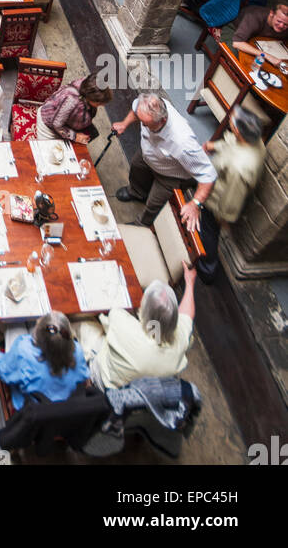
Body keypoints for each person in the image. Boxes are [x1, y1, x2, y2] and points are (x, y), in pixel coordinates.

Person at [113, 91, 216, 229]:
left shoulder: (183, 143)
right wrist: (124, 124)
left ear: (162, 120)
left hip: (170, 175)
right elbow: (135, 110)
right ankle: (136, 192)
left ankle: (142, 224)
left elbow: (208, 175)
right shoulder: (149, 104)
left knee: (154, 204)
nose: (142, 125)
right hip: (149, 154)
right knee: (137, 168)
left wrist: (195, 203)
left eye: (145, 124)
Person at [79, 270, 197, 390]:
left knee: (82, 321)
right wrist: (190, 283)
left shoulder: (124, 325)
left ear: (144, 310)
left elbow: (107, 313)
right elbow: (187, 316)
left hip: (104, 381)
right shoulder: (180, 339)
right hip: (137, 389)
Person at [197, 106, 266, 282]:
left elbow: (231, 198)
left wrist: (222, 216)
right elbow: (232, 143)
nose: (229, 122)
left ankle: (207, 268)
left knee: (209, 233)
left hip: (216, 201)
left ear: (239, 131)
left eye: (232, 122)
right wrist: (214, 146)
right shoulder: (254, 140)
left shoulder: (240, 168)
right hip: (217, 179)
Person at [0, 312, 89, 411]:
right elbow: (83, 376)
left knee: (13, 325)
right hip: (64, 407)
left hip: (31, 407)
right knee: (29, 326)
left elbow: (3, 370)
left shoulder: (23, 351)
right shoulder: (78, 351)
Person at [36, 72, 113, 143]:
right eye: (99, 103)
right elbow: (56, 125)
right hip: (49, 126)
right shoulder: (71, 101)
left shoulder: (87, 84)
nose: (102, 105)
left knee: (92, 135)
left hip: (66, 121)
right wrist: (75, 136)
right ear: (90, 98)